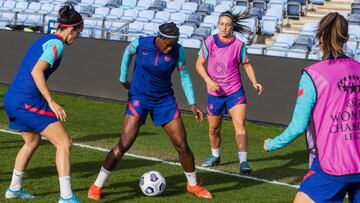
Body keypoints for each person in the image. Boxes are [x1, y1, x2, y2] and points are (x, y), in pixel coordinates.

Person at [87, 22, 213, 200]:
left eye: (173, 44)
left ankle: (193, 185)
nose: (170, 48)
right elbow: (127, 53)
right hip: (139, 98)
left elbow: (184, 76)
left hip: (164, 101)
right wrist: (123, 78)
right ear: (158, 38)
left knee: (182, 145)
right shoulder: (141, 43)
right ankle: (96, 185)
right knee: (124, 143)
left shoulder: (179, 51)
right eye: (168, 44)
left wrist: (192, 103)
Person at [264, 12, 360, 203]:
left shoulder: (313, 75)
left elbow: (298, 126)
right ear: (347, 37)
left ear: (319, 38)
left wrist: (272, 144)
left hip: (332, 164)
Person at [3, 5, 83, 203]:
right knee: (64, 143)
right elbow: (36, 72)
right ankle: (66, 197)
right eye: (78, 33)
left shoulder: (44, 39)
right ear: (71, 30)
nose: (77, 38)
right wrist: (52, 102)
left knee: (32, 142)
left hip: (13, 98)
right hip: (26, 100)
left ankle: (14, 188)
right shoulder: (58, 45)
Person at [196, 10, 263, 174]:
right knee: (214, 129)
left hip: (235, 92)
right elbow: (199, 64)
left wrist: (255, 82)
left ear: (232, 26)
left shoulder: (239, 45)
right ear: (218, 24)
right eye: (221, 24)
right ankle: (215, 156)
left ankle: (244, 162)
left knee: (240, 125)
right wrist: (209, 81)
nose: (224, 28)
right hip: (215, 95)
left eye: (227, 25)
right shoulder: (210, 42)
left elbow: (247, 65)